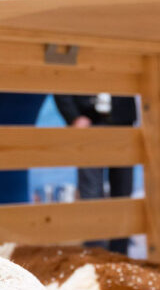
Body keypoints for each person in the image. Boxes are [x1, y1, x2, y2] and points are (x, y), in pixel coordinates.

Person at [54, 93, 138, 256]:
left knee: (123, 194)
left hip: (123, 123)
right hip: (88, 124)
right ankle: (96, 257)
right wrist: (73, 117)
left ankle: (121, 257)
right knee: (91, 194)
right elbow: (60, 86)